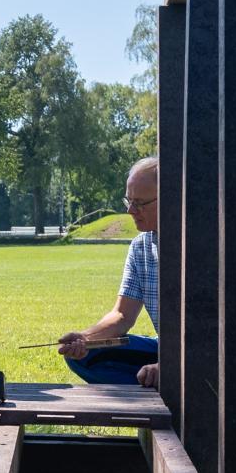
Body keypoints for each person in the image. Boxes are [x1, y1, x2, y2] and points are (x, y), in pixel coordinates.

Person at [57, 156, 160, 387]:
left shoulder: (200, 247)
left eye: (140, 203)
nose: (131, 211)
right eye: (128, 201)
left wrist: (173, 367)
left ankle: (170, 382)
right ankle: (158, 387)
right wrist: (86, 338)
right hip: (162, 350)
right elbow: (122, 316)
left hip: (203, 354)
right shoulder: (139, 247)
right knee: (86, 358)